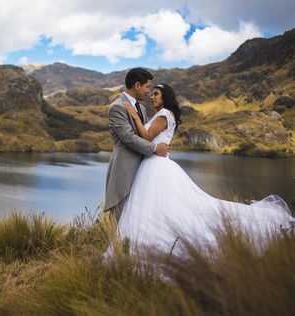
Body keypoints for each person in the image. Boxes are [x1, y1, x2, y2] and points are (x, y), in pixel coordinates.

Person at [111, 83, 294, 256]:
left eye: (156, 94)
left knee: (161, 204)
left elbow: (147, 135)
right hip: (153, 163)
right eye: (151, 94)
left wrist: (134, 117)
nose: (152, 97)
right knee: (162, 205)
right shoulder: (164, 114)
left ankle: (150, 239)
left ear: (165, 97)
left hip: (156, 165)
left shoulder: (165, 114)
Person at [104, 68, 169, 223]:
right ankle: (115, 246)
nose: (149, 91)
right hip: (124, 169)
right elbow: (128, 137)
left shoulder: (141, 108)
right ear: (137, 85)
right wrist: (155, 148)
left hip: (143, 170)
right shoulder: (117, 107)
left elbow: (145, 135)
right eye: (147, 87)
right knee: (118, 219)